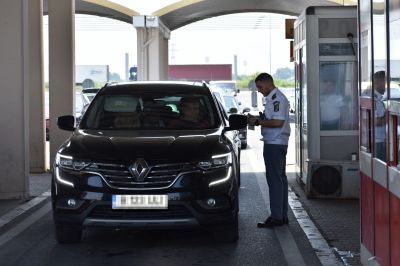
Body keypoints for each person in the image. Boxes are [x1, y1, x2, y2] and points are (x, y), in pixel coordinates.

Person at [247, 73, 291, 228]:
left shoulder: (276, 99)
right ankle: (282, 215)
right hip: (278, 142)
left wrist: (258, 122)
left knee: (274, 180)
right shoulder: (273, 98)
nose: (259, 90)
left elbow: (278, 122)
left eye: (259, 87)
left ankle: (277, 217)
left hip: (274, 142)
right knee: (280, 179)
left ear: (267, 84)